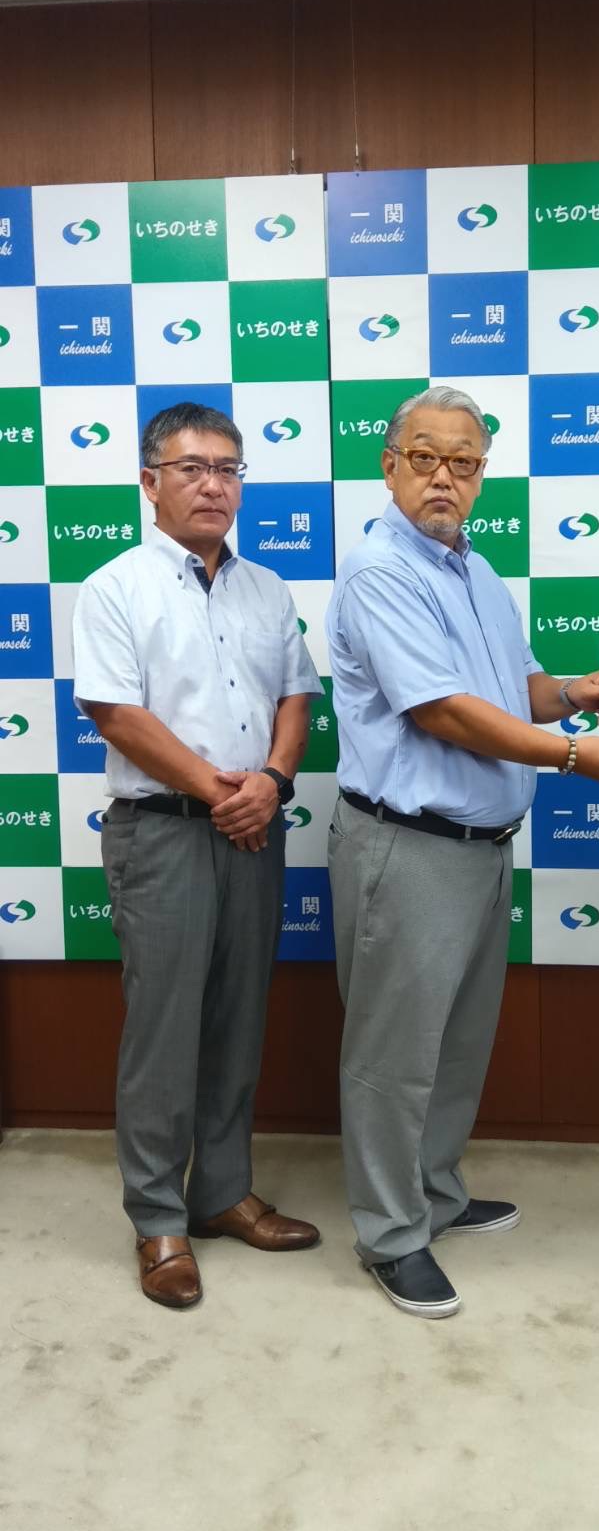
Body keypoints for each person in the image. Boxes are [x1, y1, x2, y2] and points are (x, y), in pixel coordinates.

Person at [326, 385, 599, 1318]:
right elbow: (444, 712)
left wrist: (577, 693)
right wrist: (573, 755)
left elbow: (512, 688)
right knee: (392, 1055)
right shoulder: (381, 571)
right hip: (408, 848)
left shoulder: (475, 567)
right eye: (425, 458)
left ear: (481, 475)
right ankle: (391, 1235)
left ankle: (435, 1194)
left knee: (457, 1045)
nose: (444, 478)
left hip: (481, 848)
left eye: (463, 463)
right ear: (389, 464)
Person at [72, 401, 322, 1309]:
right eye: (192, 468)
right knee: (164, 1031)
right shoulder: (114, 587)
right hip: (165, 831)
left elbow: (297, 696)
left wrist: (274, 782)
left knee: (236, 1020)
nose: (213, 485)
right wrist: (226, 794)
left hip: (257, 826)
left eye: (228, 469)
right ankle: (157, 1218)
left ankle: (221, 1194)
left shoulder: (267, 589)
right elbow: (116, 713)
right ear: (150, 482)